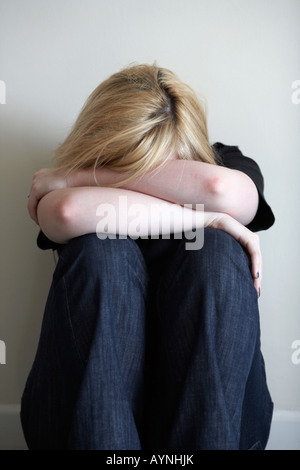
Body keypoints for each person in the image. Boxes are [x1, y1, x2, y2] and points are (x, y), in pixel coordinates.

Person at [21, 63, 275, 450]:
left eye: (164, 163)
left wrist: (89, 176)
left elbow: (220, 188)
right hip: (91, 417)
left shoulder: (223, 161)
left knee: (215, 252)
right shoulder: (70, 184)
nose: (145, 173)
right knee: (101, 250)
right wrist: (210, 218)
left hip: (220, 420)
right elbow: (68, 213)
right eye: (129, 160)